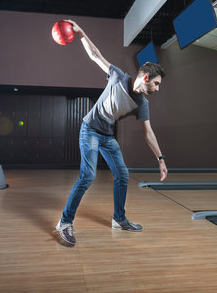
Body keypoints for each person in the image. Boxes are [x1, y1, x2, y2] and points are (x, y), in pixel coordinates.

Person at [54, 19, 167, 246]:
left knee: (122, 175)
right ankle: (65, 222)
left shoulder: (142, 104)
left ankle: (119, 219)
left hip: (106, 136)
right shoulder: (118, 77)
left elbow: (148, 133)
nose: (156, 88)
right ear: (145, 78)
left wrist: (161, 159)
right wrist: (81, 32)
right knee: (88, 176)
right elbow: (96, 55)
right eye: (156, 83)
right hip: (90, 130)